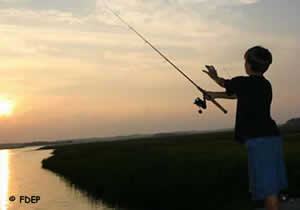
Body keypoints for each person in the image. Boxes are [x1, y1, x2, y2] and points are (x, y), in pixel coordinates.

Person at [202, 46, 288, 210]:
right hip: (271, 139)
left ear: (248, 64)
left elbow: (226, 84)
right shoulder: (265, 85)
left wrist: (214, 76)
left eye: (245, 60)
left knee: (269, 190)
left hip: (260, 142)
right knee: (271, 187)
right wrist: (213, 94)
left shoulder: (243, 82)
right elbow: (236, 94)